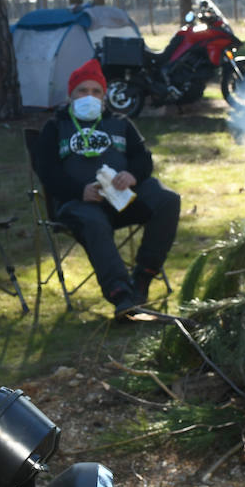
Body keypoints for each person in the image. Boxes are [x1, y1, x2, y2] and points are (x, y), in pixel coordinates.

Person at [30, 58, 181, 320]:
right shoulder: (55, 127)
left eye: (96, 91)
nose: (89, 96)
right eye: (82, 91)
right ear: (71, 95)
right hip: (79, 204)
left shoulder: (121, 123)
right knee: (93, 222)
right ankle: (121, 293)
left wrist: (132, 174)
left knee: (167, 200)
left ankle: (144, 276)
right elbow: (47, 172)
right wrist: (79, 191)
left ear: (104, 96)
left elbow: (143, 158)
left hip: (123, 200)